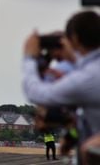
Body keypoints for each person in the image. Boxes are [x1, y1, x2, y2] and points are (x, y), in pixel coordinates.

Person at [22, 10, 100, 164]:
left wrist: (29, 58)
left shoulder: (88, 76)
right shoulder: (86, 70)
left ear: (75, 39)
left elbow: (35, 92)